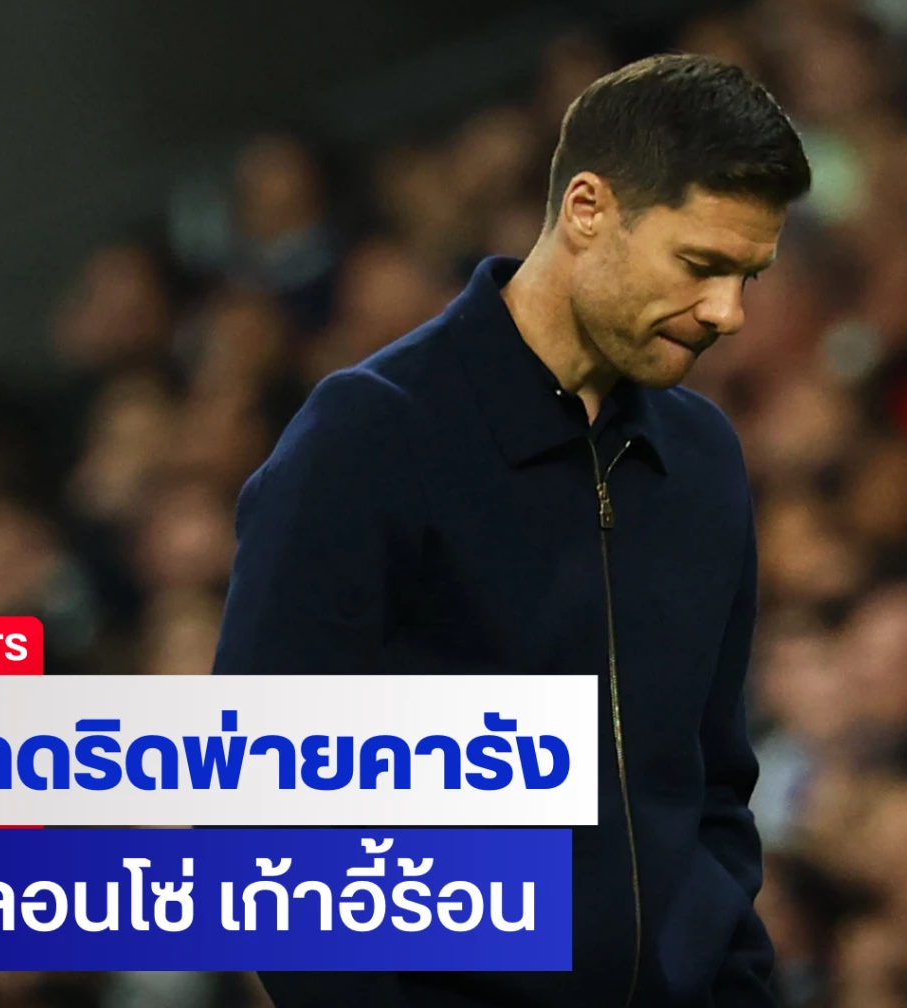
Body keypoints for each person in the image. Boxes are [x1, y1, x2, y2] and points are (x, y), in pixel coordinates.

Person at [211, 53, 812, 1008]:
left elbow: (711, 788)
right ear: (587, 209)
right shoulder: (371, 437)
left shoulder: (704, 459)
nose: (728, 314)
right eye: (701, 266)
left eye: (749, 276)